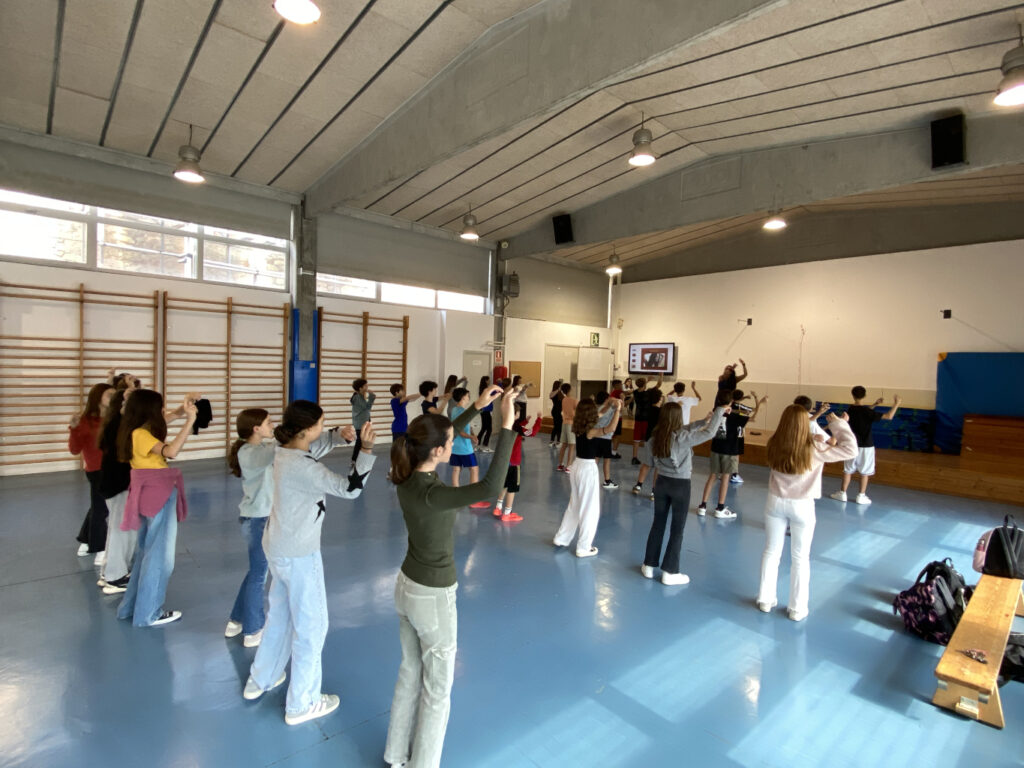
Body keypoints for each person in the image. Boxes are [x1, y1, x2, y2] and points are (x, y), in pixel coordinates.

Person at [383, 384, 517, 768]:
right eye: (447, 442)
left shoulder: (407, 476)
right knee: (438, 690)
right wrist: (507, 427)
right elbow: (491, 487)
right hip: (432, 595)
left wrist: (478, 407)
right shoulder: (433, 493)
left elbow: (441, 434)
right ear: (440, 452)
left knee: (410, 673)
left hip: (407, 586)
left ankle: (396, 754)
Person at [243, 402, 374, 726]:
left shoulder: (283, 451)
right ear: (306, 430)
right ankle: (302, 703)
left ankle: (261, 678)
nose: (323, 428)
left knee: (280, 617)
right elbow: (350, 488)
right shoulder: (304, 468)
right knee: (312, 627)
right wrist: (365, 450)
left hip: (278, 547)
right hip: (299, 555)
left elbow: (312, 448)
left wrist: (337, 436)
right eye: (321, 424)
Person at [757, 405, 858, 621]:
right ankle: (797, 608)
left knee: (771, 552)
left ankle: (765, 599)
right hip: (802, 505)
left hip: (775, 502)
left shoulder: (774, 443)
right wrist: (839, 424)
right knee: (800, 557)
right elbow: (851, 450)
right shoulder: (814, 448)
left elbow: (795, 441)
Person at [116, 390, 197, 627]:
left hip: (148, 492)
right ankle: (149, 613)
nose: (163, 411)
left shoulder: (136, 429)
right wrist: (190, 421)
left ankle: (132, 607)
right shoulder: (142, 435)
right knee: (160, 557)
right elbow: (171, 451)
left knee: (146, 552)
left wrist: (183, 409)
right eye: (160, 407)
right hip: (158, 493)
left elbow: (168, 417)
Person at [641, 400, 728, 585]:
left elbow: (650, 461)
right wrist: (719, 411)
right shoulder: (681, 438)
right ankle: (670, 571)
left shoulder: (654, 438)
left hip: (661, 483)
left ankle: (648, 565)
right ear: (678, 419)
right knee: (677, 529)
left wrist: (703, 421)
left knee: (658, 524)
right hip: (680, 485)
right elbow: (709, 433)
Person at [225, 409, 277, 647]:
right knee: (259, 575)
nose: (272, 425)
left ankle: (236, 620)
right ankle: (253, 630)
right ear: (256, 429)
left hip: (259, 518)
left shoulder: (256, 449)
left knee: (255, 572)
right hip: (258, 520)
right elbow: (278, 449)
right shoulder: (250, 453)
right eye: (268, 422)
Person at [553, 397, 622, 558]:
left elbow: (599, 414)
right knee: (590, 509)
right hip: (587, 469)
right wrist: (618, 410)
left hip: (577, 466)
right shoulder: (591, 430)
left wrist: (607, 404)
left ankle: (562, 538)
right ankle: (584, 547)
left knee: (575, 505)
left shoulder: (578, 425)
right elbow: (611, 428)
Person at [698, 389, 767, 518]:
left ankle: (703, 505)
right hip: (729, 450)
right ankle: (720, 508)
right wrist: (761, 402)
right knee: (725, 478)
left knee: (712, 476)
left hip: (715, 448)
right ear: (731, 401)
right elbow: (753, 418)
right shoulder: (735, 415)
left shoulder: (716, 412)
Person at [830, 387, 902, 505]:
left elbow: (863, 411)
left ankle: (842, 493)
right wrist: (896, 404)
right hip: (866, 446)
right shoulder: (867, 412)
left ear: (853, 395)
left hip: (851, 444)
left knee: (848, 470)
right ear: (865, 395)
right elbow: (889, 416)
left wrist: (875, 404)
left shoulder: (851, 409)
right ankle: (861, 496)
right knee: (865, 472)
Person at [96, 389, 136, 593]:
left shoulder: (115, 423)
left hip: (114, 484)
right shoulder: (120, 426)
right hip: (119, 485)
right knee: (122, 530)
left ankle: (109, 572)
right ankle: (115, 577)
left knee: (117, 530)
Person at [69, 382, 114, 563]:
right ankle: (99, 548)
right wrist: (74, 429)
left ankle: (85, 540)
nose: (113, 398)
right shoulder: (86, 420)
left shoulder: (112, 417)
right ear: (98, 398)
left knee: (98, 506)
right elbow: (74, 450)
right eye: (109, 395)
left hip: (112, 468)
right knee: (101, 510)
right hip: (97, 471)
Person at [448, 388, 489, 510]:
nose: (469, 397)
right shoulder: (461, 411)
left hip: (455, 446)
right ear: (463, 397)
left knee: (456, 469)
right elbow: (459, 430)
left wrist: (472, 433)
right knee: (474, 469)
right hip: (464, 447)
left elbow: (466, 426)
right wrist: (471, 437)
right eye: (467, 395)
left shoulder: (454, 409)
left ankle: (455, 497)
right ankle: (473, 500)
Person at [493, 414, 527, 522]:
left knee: (504, 484)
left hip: (505, 461)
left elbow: (520, 427)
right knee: (512, 488)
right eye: (518, 413)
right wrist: (539, 420)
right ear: (515, 414)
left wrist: (526, 421)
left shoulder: (506, 426)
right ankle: (507, 513)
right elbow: (531, 432)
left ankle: (498, 508)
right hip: (514, 463)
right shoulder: (517, 428)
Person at [630, 375, 663, 464]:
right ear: (644, 385)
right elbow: (659, 384)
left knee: (636, 439)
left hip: (637, 418)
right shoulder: (648, 393)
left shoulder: (635, 392)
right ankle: (650, 458)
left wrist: (646, 381)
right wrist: (661, 375)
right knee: (648, 439)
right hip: (646, 419)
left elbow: (640, 387)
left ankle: (634, 457)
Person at [593, 391, 620, 490]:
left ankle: (591, 477)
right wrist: (618, 401)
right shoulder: (609, 409)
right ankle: (607, 480)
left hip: (597, 436)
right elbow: (619, 409)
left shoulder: (598, 408)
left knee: (595, 458)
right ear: (606, 399)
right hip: (605, 438)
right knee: (607, 460)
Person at [350, 378, 376, 462]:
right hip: (360, 423)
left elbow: (367, 408)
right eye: (365, 385)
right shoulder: (357, 397)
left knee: (362, 441)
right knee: (360, 442)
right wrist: (371, 397)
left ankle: (357, 459)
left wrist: (372, 397)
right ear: (360, 388)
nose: (367, 387)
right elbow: (366, 407)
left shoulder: (361, 397)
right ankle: (354, 459)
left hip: (363, 422)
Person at [555, 383, 578, 473]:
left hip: (564, 424)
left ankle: (560, 464)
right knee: (572, 445)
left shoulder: (564, 399)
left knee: (564, 445)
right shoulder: (574, 400)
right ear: (569, 390)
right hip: (571, 424)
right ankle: (569, 466)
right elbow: (579, 410)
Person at [477, 376, 494, 453]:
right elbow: (494, 392)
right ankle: (485, 446)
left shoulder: (482, 389)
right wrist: (500, 384)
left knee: (484, 428)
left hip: (483, 410)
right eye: (488, 380)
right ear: (486, 381)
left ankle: (477, 444)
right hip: (485, 411)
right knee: (489, 429)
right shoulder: (486, 389)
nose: (489, 381)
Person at [609, 379, 625, 458]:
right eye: (620, 384)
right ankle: (614, 452)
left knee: (611, 435)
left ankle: (607, 451)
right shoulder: (619, 393)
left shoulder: (612, 393)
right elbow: (622, 408)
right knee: (617, 435)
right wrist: (623, 399)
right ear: (616, 385)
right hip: (617, 417)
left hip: (612, 416)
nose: (621, 386)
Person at [548, 378, 564, 448]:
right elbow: (550, 396)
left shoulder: (561, 393)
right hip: (555, 411)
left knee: (559, 427)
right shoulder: (553, 392)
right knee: (556, 426)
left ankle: (558, 441)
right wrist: (558, 390)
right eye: (560, 385)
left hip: (560, 411)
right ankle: (552, 441)